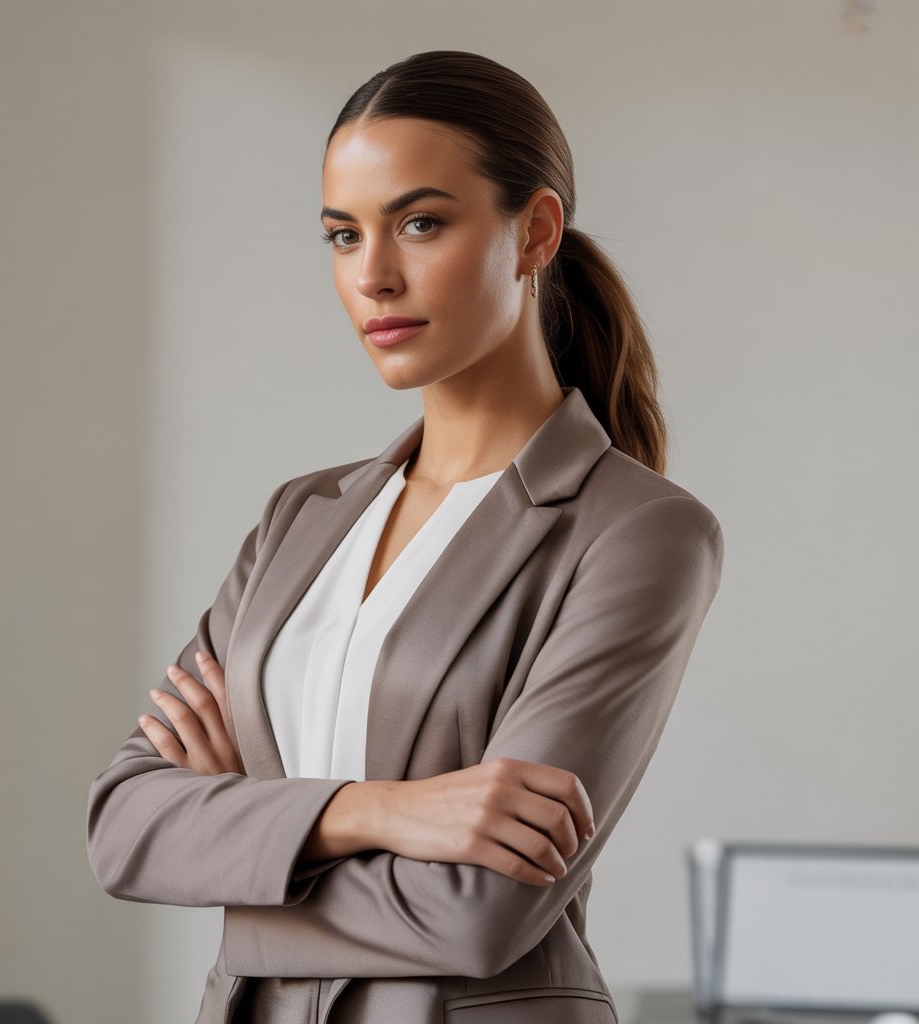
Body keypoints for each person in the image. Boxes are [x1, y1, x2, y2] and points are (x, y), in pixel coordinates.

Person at [86, 50, 725, 1024]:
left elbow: (478, 911)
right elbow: (124, 826)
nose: (373, 276)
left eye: (420, 223)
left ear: (534, 231)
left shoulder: (636, 534)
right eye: (343, 236)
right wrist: (375, 810)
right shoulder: (301, 518)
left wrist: (236, 848)